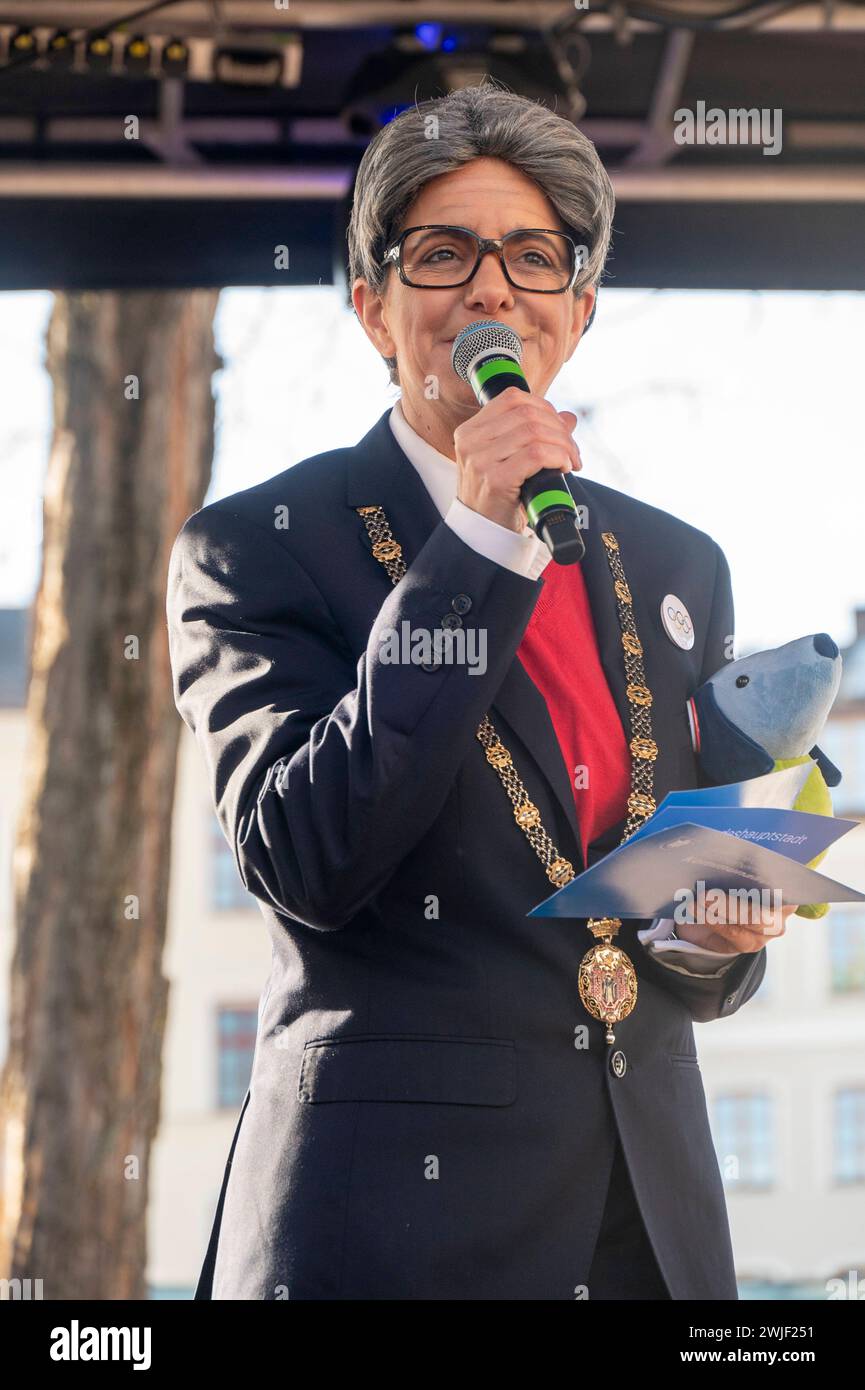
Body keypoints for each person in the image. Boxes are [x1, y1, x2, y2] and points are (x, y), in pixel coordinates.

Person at [166, 81, 797, 1301]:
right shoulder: (260, 544)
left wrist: (717, 939)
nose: (492, 288)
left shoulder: (677, 564)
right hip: (390, 1224)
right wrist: (475, 546)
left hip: (647, 1223)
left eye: (532, 257)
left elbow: (683, 901)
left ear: (579, 309)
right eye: (443, 253)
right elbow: (308, 853)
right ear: (372, 307)